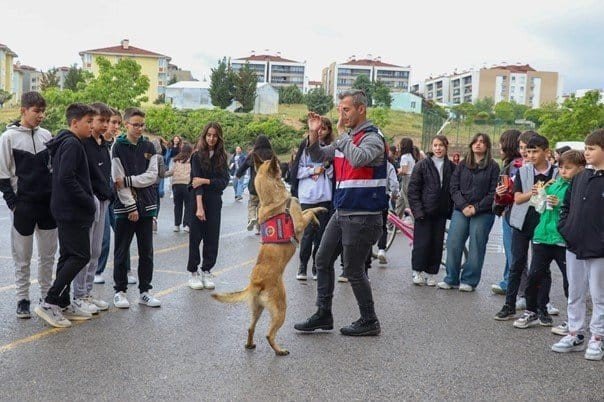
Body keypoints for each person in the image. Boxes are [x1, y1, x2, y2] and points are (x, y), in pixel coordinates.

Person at [294, 90, 387, 337]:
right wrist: (313, 132)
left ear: (361, 110)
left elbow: (358, 159)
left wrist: (344, 136)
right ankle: (323, 313)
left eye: (346, 109)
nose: (341, 114)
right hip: (342, 211)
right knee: (322, 260)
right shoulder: (346, 139)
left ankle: (369, 320)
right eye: (339, 110)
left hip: (363, 215)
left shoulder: (373, 137)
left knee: (354, 270)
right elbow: (318, 155)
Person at [34, 103, 96, 327]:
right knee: (80, 255)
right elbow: (66, 179)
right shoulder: (71, 144)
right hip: (71, 211)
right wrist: (88, 201)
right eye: (88, 122)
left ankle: (62, 302)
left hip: (66, 209)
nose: (91, 126)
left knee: (69, 255)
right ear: (74, 123)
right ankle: (49, 302)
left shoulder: (69, 142)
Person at [0, 91, 57, 319]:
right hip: (23, 206)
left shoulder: (46, 135)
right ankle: (22, 299)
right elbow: (3, 175)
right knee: (22, 258)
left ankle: (46, 297)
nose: (41, 115)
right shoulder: (8, 138)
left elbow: (52, 169)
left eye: (43, 111)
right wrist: (14, 204)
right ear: (23, 110)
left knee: (48, 256)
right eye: (36, 111)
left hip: (47, 206)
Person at [513, 150, 584, 329]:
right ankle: (532, 311)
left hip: (563, 240)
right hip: (542, 236)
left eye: (568, 168)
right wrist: (542, 198)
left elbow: (580, 210)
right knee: (534, 276)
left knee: (571, 281)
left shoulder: (579, 187)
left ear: (580, 169)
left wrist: (560, 204)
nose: (563, 171)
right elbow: (536, 205)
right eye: (561, 167)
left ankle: (573, 319)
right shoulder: (552, 183)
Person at [552, 129, 604, 361]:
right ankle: (575, 333)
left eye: (591, 148)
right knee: (575, 291)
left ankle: (598, 337)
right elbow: (566, 206)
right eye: (586, 147)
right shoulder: (582, 177)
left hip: (599, 249)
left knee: (599, 294)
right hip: (574, 244)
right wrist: (566, 228)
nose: (586, 152)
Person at [495, 134, 558, 320]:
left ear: (546, 152)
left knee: (542, 268)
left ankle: (542, 307)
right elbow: (517, 198)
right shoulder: (523, 171)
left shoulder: (555, 173)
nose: (530, 155)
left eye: (535, 151)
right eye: (528, 151)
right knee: (517, 264)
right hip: (522, 223)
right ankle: (509, 304)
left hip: (544, 224)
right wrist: (533, 191)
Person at [111, 108, 161, 309]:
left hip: (147, 206)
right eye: (135, 124)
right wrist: (130, 205)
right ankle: (120, 291)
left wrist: (130, 180)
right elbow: (117, 180)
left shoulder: (149, 146)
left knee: (146, 251)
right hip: (125, 208)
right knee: (121, 251)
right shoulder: (118, 146)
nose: (139, 128)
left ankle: (145, 291)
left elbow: (152, 175)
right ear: (126, 125)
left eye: (142, 125)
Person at [439, 133, 499, 291]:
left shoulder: (493, 166)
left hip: (483, 212)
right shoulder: (463, 164)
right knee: (453, 242)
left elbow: (493, 192)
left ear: (487, 146)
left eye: (482, 142)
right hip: (461, 209)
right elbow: (454, 187)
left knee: (476, 245)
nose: (478, 144)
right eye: (476, 141)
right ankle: (451, 278)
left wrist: (476, 208)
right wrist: (464, 205)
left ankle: (469, 280)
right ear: (471, 144)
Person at [71, 102, 113, 315]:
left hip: (103, 201)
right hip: (89, 202)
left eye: (108, 121)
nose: (105, 125)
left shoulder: (102, 144)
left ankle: (87, 291)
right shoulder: (83, 144)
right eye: (100, 121)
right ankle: (78, 295)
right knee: (84, 251)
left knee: (96, 250)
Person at [290, 116, 335, 281]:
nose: (320, 131)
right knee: (307, 234)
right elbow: (296, 172)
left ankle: (317, 266)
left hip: (324, 196)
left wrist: (327, 167)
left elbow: (333, 175)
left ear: (328, 131)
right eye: (318, 128)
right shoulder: (304, 149)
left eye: (324, 128)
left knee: (322, 235)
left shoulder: (331, 149)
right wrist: (312, 171)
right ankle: (302, 266)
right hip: (307, 197)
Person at [186, 122, 230, 290]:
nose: (211, 138)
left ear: (219, 137)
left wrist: (206, 180)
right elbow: (195, 183)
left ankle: (207, 270)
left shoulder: (222, 157)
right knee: (195, 237)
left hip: (214, 201)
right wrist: (199, 207)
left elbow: (224, 182)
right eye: (208, 135)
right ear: (204, 136)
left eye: (215, 135)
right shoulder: (196, 156)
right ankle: (193, 272)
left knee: (212, 237)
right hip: (198, 200)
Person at [94, 108, 135, 285]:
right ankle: (97, 270)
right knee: (103, 238)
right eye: (112, 122)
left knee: (122, 234)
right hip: (104, 194)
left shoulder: (120, 144)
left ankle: (126, 269)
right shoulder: (98, 143)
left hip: (119, 194)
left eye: (118, 123)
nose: (115, 126)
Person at [407, 135, 454, 286]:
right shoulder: (422, 165)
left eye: (441, 145)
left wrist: (450, 210)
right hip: (424, 212)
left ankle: (431, 273)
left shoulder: (452, 167)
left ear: (446, 147)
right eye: (435, 145)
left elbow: (454, 189)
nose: (438, 148)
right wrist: (418, 211)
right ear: (431, 147)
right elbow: (413, 190)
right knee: (422, 243)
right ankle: (417, 271)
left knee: (437, 243)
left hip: (440, 212)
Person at [491, 130, 523, 295]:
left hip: (512, 211)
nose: (499, 146)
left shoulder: (515, 165)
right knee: (511, 249)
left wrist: (502, 204)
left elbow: (511, 191)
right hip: (512, 211)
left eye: (502, 142)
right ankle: (507, 282)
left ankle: (517, 289)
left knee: (513, 251)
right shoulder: (513, 163)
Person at [235, 135, 275, 234]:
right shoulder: (271, 154)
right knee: (262, 207)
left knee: (252, 203)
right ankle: (259, 228)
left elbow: (244, 166)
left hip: (254, 185)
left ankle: (252, 217)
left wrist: (238, 174)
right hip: (266, 187)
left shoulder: (253, 154)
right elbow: (277, 168)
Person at [165, 141, 192, 233]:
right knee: (188, 205)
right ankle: (187, 225)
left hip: (176, 184)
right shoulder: (192, 160)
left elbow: (171, 172)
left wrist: (161, 174)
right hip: (187, 184)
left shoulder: (176, 160)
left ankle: (176, 225)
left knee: (178, 205)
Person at [394, 138, 416, 218]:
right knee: (400, 202)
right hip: (410, 179)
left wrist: (397, 171)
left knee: (408, 203)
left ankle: (415, 222)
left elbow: (404, 171)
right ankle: (393, 225)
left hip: (406, 180)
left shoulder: (404, 157)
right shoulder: (411, 156)